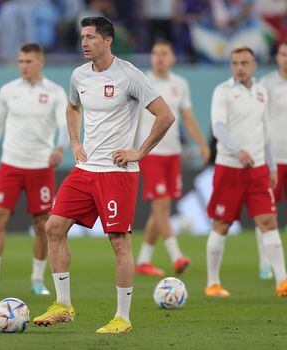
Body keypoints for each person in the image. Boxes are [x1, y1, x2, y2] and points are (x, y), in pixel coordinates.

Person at [33, 16, 175, 334]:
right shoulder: (79, 75)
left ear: (108, 41)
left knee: (119, 242)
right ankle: (63, 305)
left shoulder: (129, 75)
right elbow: (72, 107)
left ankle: (122, 317)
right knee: (53, 227)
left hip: (117, 173)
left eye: (91, 37)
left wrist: (139, 152)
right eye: (82, 37)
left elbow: (165, 116)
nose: (84, 42)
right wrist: (73, 140)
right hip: (85, 169)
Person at [0, 43, 69, 295]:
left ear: (40, 62)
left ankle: (37, 280)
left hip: (40, 167)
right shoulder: (8, 91)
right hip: (10, 165)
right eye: (20, 62)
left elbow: (65, 126)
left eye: (28, 61)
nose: (23, 66)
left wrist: (60, 149)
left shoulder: (55, 92)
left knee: (42, 225)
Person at [205, 46, 287, 298]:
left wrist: (271, 165)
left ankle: (282, 282)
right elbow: (217, 127)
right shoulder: (223, 91)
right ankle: (213, 283)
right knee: (222, 223)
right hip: (230, 167)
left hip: (258, 170)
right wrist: (237, 150)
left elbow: (265, 133)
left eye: (244, 63)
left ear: (254, 65)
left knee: (268, 221)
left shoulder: (262, 92)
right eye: (235, 63)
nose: (239, 67)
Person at [135, 39, 210, 277]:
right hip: (151, 152)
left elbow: (187, 117)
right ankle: (177, 256)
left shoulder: (180, 84)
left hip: (173, 153)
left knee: (162, 209)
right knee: (162, 206)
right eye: (155, 53)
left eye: (164, 53)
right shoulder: (142, 81)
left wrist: (201, 142)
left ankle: (144, 260)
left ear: (173, 58)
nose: (159, 57)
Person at [256, 42, 287, 280]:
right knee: (267, 212)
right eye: (283, 54)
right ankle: (265, 262)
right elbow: (259, 121)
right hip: (274, 157)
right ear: (277, 57)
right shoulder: (265, 84)